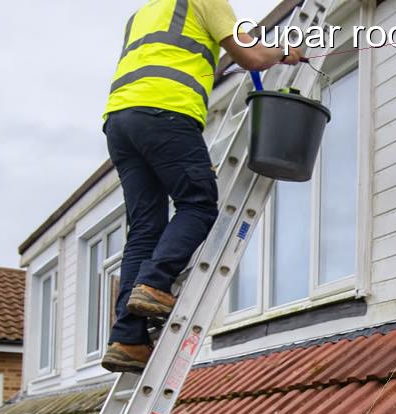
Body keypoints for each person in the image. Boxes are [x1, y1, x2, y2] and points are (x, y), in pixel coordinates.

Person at [101, 0, 304, 373]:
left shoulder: (144, 14)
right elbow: (253, 57)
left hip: (120, 121)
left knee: (145, 228)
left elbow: (189, 54)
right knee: (198, 204)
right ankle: (155, 283)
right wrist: (286, 53)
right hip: (167, 111)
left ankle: (127, 339)